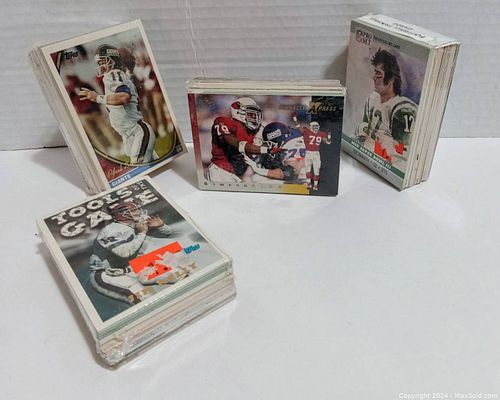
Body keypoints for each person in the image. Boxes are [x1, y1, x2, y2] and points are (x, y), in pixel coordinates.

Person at [89, 201, 191, 305]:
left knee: (179, 274)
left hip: (132, 267)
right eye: (133, 210)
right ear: (122, 215)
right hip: (109, 273)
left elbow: (167, 234)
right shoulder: (110, 230)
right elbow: (124, 252)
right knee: (147, 299)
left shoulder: (137, 223)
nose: (138, 212)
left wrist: (161, 226)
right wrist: (142, 232)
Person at [78, 44, 159, 164]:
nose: (101, 66)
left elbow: (124, 97)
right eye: (99, 63)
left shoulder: (114, 74)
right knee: (152, 164)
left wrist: (97, 98)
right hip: (129, 135)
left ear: (113, 60)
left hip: (137, 131)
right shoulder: (114, 75)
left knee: (139, 164)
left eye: (103, 62)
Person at [355, 48, 417, 163]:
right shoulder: (372, 98)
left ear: (391, 79)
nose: (374, 77)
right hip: (367, 157)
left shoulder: (402, 108)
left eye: (378, 74)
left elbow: (401, 156)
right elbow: (364, 127)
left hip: (386, 162)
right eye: (375, 72)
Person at [208, 97, 284, 182]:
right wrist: (266, 149)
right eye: (251, 114)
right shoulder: (223, 121)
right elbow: (232, 141)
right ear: (238, 113)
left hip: (238, 175)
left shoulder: (255, 130)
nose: (255, 118)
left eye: (256, 115)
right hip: (220, 172)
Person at [294, 117, 331, 191]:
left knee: (316, 171)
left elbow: (328, 142)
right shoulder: (307, 131)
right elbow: (298, 127)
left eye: (317, 127)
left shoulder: (320, 133)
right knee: (308, 170)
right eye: (314, 127)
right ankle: (309, 183)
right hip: (309, 153)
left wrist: (329, 136)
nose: (316, 128)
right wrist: (295, 119)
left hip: (316, 154)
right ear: (311, 127)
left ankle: (315, 185)